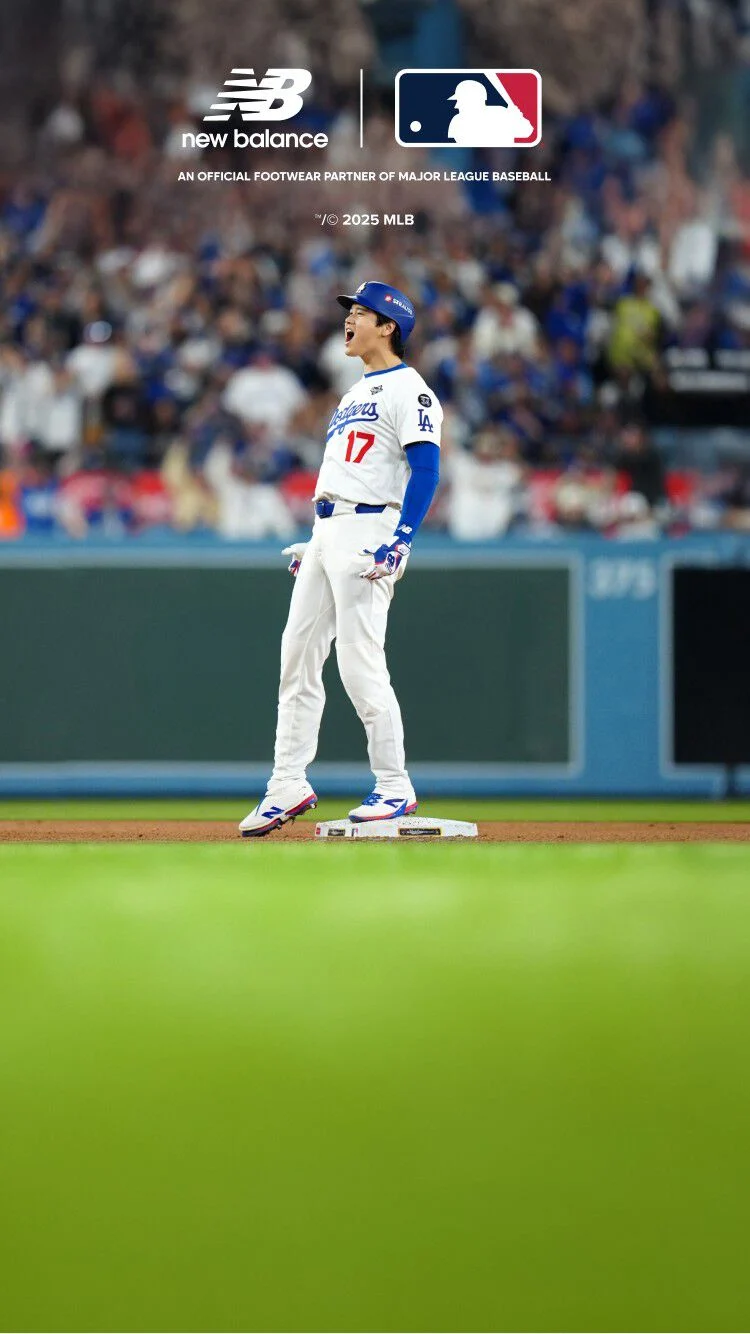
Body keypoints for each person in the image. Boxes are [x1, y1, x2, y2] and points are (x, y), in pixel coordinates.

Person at [239, 282, 443, 836]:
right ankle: (287, 783)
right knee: (297, 658)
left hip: (373, 528)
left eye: (360, 313)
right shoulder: (354, 394)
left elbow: (425, 471)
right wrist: (318, 539)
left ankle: (395, 786)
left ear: (389, 327)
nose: (349, 320)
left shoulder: (411, 390)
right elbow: (347, 474)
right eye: (349, 312)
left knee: (359, 660)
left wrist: (401, 538)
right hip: (331, 528)